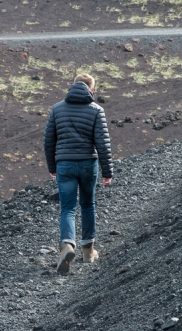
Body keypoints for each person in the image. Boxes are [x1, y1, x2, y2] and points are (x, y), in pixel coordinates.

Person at [43, 73, 113, 274]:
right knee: (88, 204)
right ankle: (88, 252)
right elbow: (103, 144)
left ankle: (66, 245)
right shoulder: (96, 110)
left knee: (68, 208)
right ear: (91, 89)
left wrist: (52, 167)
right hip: (88, 165)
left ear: (73, 86)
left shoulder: (57, 109)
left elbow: (49, 141)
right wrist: (107, 172)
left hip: (64, 165)